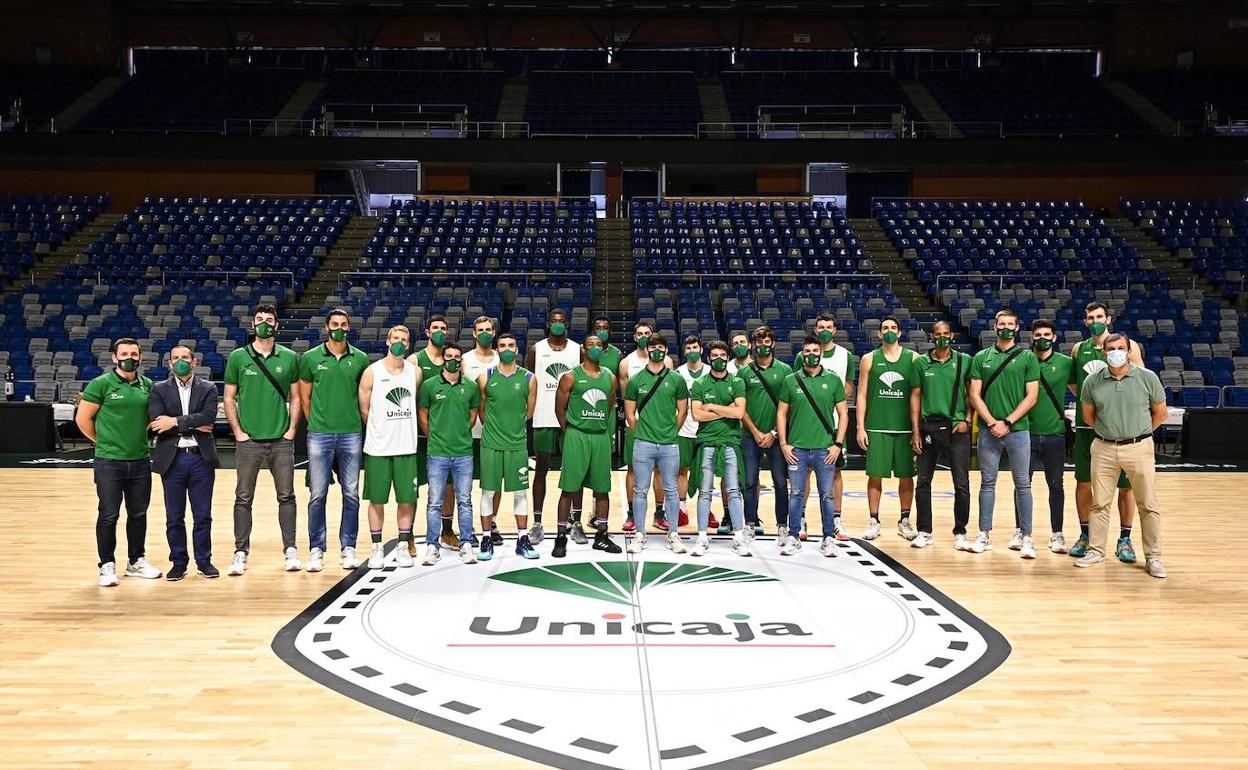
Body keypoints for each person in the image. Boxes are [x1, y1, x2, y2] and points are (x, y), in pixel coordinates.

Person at [1074, 334, 1167, 578]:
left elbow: (1160, 413)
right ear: (1104, 353)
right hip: (1104, 447)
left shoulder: (1147, 377)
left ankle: (1153, 557)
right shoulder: (1092, 381)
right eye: (1111, 348)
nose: (1116, 352)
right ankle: (1096, 551)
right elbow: (1088, 417)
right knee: (1100, 503)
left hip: (1139, 447)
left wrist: (1139, 434)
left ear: (1129, 351)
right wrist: (1111, 433)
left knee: (1148, 504)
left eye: (1121, 348)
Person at [223, 304, 301, 575]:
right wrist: (238, 432)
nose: (264, 323)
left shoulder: (289, 357)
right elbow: (229, 397)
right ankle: (240, 552)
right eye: (259, 319)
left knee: (286, 496)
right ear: (253, 324)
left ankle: (290, 549)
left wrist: (292, 430)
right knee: (243, 498)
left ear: (277, 325)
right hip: (249, 441)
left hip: (281, 440)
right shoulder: (238, 357)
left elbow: (296, 397)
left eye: (269, 319)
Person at [77, 338, 161, 587]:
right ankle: (106, 565)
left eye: (134, 354)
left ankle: (136, 561)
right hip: (109, 462)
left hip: (140, 460)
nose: (129, 358)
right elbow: (83, 419)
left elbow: (150, 417)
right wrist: (102, 441)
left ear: (140, 357)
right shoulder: (101, 384)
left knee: (138, 513)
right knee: (108, 514)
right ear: (114, 357)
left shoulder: (147, 385)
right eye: (124, 354)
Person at [1068, 301, 1145, 562]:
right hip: (1086, 427)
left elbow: (1141, 380)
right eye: (1090, 318)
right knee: (1083, 482)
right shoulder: (1079, 349)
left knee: (1125, 486)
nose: (1095, 321)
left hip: (1118, 430)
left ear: (1108, 319)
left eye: (1099, 316)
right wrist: (1093, 403)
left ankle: (1125, 539)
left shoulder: (1127, 346)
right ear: (1085, 321)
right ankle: (1085, 535)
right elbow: (1074, 384)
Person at [298, 309, 369, 572]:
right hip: (320, 434)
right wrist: (318, 423)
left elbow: (363, 396)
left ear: (349, 327)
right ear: (327, 327)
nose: (339, 328)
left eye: (343, 324)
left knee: (351, 493)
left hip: (351, 433)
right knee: (318, 494)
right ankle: (316, 549)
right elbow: (305, 398)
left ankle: (348, 547)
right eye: (335, 324)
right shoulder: (310, 358)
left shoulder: (360, 358)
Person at [967, 308, 1040, 558]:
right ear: (995, 326)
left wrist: (1007, 422)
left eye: (1010, 324)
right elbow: (974, 395)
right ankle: (984, 534)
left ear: (1017, 328)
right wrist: (991, 422)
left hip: (1018, 430)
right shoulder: (981, 357)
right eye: (1002, 324)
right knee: (987, 483)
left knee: (1023, 484)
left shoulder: (1028, 357)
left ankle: (1027, 537)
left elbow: (1032, 396)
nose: (1006, 328)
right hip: (989, 431)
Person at [148, 345, 220, 580]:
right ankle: (178, 562)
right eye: (175, 358)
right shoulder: (158, 389)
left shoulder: (208, 388)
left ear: (194, 361)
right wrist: (192, 424)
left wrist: (174, 422)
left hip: (201, 458)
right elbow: (158, 422)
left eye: (185, 357)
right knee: (174, 516)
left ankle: (204, 561)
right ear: (169, 363)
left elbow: (209, 417)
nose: (181, 361)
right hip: (173, 459)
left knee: (203, 515)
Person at [777, 335, 849, 557]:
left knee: (827, 495)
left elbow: (843, 414)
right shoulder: (791, 380)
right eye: (807, 351)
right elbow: (781, 413)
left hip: (825, 449)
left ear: (821, 353)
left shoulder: (833, 380)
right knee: (796, 494)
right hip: (797, 449)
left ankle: (828, 538)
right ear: (802, 354)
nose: (811, 355)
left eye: (815, 351)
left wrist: (837, 444)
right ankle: (793, 536)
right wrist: (784, 444)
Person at [553, 334, 623, 556]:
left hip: (600, 436)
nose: (595, 348)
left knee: (602, 489)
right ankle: (561, 537)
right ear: (583, 350)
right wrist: (570, 430)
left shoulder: (610, 377)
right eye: (590, 345)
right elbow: (559, 409)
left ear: (603, 349)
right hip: (577, 435)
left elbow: (609, 405)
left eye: (598, 345)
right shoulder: (571, 376)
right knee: (569, 488)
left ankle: (601, 536)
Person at [358, 325, 420, 570]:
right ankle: (377, 547)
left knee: (407, 500)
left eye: (404, 340)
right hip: (379, 448)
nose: (399, 343)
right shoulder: (372, 372)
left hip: (406, 447)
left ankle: (403, 545)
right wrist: (381, 429)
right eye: (396, 338)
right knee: (377, 500)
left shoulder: (415, 373)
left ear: (408, 345)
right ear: (387, 341)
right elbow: (365, 410)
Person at [909, 321, 972, 549]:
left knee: (961, 483)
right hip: (928, 427)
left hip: (956, 428)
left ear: (952, 336)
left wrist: (967, 420)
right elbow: (915, 396)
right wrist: (916, 430)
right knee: (923, 482)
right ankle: (924, 531)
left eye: (946, 333)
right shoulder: (920, 363)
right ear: (932, 336)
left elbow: (972, 393)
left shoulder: (965, 361)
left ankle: (960, 531)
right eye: (938, 334)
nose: (942, 337)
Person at [624, 333, 689, 554]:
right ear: (647, 350)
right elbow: (630, 413)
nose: (657, 351)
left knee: (671, 490)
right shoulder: (636, 380)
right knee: (640, 489)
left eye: (661, 347)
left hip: (669, 443)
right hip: (643, 443)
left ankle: (673, 534)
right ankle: (639, 534)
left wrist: (671, 432)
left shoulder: (676, 379)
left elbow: (683, 411)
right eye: (653, 347)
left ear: (666, 350)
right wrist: (641, 433)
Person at [856, 316, 919, 541]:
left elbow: (917, 395)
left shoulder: (913, 358)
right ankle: (874, 520)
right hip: (876, 426)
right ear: (879, 333)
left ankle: (905, 520)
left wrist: (917, 429)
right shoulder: (869, 359)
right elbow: (861, 395)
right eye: (885, 328)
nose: (889, 331)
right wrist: (860, 427)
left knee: (907, 477)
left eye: (893, 327)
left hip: (905, 428)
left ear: (900, 332)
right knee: (875, 476)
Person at [418, 343, 480, 565]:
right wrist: (435, 436)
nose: (453, 360)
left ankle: (466, 544)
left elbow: (472, 416)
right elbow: (423, 415)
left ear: (461, 360)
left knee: (465, 501)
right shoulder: (429, 385)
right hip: (437, 453)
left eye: (457, 356)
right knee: (434, 502)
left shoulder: (471, 386)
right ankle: (432, 546)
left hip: (463, 452)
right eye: (449, 356)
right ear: (443, 359)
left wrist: (460, 434)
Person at [478, 333, 538, 560]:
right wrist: (496, 429)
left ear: (517, 350)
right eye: (502, 345)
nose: (506, 348)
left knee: (520, 493)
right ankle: (486, 538)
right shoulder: (485, 376)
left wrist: (511, 427)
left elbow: (529, 412)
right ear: (497, 349)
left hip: (517, 445)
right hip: (491, 445)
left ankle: (522, 538)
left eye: (510, 345)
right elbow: (482, 411)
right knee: (487, 493)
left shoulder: (529, 378)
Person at [689, 341, 752, 557]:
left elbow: (739, 413)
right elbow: (697, 415)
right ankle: (702, 538)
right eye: (714, 355)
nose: (718, 358)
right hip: (706, 443)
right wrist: (727, 410)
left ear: (727, 358)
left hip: (730, 443)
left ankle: (738, 537)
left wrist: (712, 407)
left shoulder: (737, 382)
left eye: (722, 355)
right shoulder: (699, 384)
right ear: (708, 358)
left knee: (734, 490)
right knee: (704, 491)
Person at [527, 308, 580, 545]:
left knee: (574, 471)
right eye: (554, 320)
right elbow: (530, 382)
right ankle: (537, 523)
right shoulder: (536, 350)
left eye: (561, 320)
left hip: (570, 419)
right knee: (541, 470)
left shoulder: (577, 349)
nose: (558, 323)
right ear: (548, 324)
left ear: (566, 324)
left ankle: (575, 521)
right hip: (543, 416)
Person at [737, 325, 792, 538]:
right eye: (759, 343)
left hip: (777, 437)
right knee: (750, 482)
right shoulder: (744, 372)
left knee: (780, 482)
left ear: (773, 344)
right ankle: (750, 524)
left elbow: (788, 407)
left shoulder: (785, 371)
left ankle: (782, 526)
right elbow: (740, 407)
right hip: (750, 436)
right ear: (753, 345)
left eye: (766, 342)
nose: (763, 346)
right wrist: (755, 431)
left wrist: (773, 433)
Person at [407, 314, 455, 550]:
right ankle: (407, 535)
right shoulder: (415, 360)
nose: (439, 331)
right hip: (420, 435)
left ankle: (447, 531)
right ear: (427, 332)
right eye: (435, 328)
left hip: (446, 436)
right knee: (414, 486)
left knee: (448, 486)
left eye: (443, 328)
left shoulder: (452, 360)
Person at [1028, 319, 1076, 554]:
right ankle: (1022, 531)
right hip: (1026, 433)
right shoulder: (1023, 361)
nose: (1042, 338)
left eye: (1047, 334)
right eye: (1038, 335)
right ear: (1032, 338)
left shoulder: (1066, 363)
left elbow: (1080, 391)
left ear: (1054, 337)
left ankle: (1057, 533)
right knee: (1022, 485)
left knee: (1056, 485)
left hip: (1055, 434)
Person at [618, 322, 670, 532]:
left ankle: (659, 513)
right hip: (637, 425)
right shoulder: (626, 363)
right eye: (639, 333)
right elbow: (627, 399)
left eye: (647, 333)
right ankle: (631, 513)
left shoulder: (667, 361)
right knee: (632, 469)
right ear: (634, 337)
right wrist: (635, 427)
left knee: (659, 470)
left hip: (661, 425)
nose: (643, 336)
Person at [462, 315, 502, 543]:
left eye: (488, 329)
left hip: (494, 433)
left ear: (494, 332)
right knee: (464, 484)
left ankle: (492, 523)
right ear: (474, 334)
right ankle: (467, 526)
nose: (485, 333)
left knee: (493, 483)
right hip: (468, 433)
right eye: (481, 330)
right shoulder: (465, 360)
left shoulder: (501, 359)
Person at [675, 335, 711, 530]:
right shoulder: (678, 373)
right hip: (684, 429)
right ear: (684, 351)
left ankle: (707, 509)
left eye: (695, 347)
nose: (691, 351)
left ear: (701, 350)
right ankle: (681, 509)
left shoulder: (711, 372)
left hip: (706, 429)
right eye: (688, 348)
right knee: (681, 470)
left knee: (707, 471)